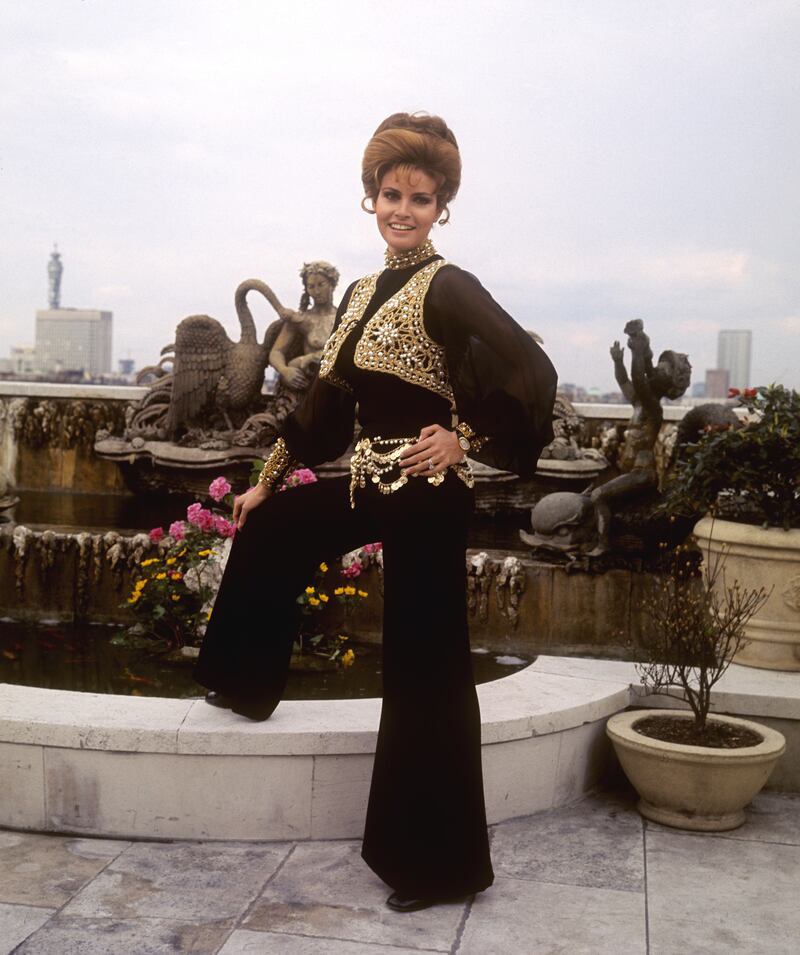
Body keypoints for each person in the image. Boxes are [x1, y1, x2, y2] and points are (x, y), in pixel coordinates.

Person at [193, 111, 558, 913]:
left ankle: (438, 866)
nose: (403, 209)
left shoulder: (449, 286)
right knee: (276, 527)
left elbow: (530, 368)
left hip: (428, 492)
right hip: (370, 479)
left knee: (424, 664)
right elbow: (325, 406)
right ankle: (244, 682)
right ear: (372, 197)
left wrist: (464, 437)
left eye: (420, 198)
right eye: (391, 194)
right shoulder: (359, 294)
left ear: (441, 207)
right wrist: (267, 479)